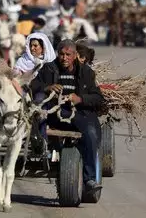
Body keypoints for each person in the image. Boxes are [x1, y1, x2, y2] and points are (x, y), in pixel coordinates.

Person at [30, 39, 104, 194]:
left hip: (78, 114)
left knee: (90, 133)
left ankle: (89, 179)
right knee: (38, 109)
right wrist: (47, 87)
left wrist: (80, 99)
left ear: (75, 55)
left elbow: (98, 97)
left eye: (68, 55)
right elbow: (32, 86)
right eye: (61, 54)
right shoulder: (49, 69)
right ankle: (41, 146)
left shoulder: (86, 72)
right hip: (54, 114)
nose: (64, 58)